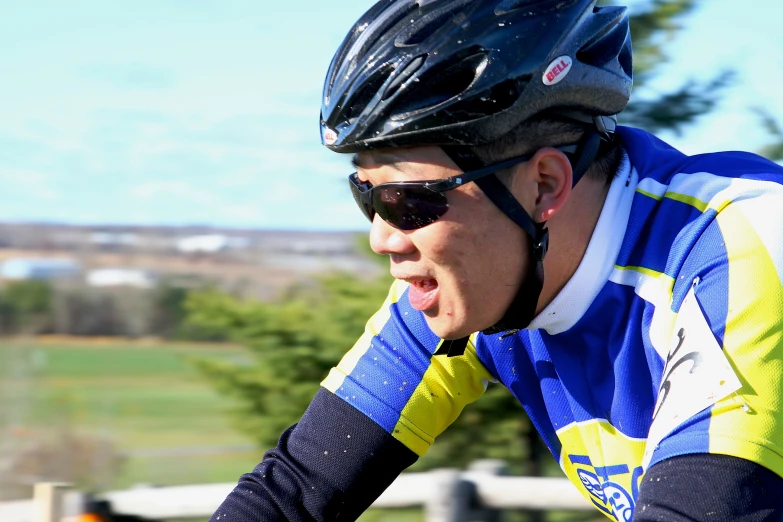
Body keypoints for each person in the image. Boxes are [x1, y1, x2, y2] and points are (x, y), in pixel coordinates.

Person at [210, 0, 783, 520]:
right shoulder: (481, 283)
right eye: (367, 195)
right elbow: (294, 490)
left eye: (408, 200)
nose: (383, 238)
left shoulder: (741, 244)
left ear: (543, 185)